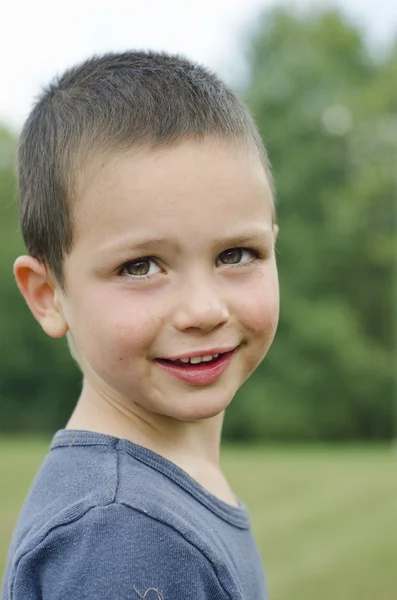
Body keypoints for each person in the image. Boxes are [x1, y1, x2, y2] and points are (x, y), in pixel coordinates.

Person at [2, 51, 279, 600]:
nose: (203, 310)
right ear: (48, 295)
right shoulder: (124, 530)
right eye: (140, 266)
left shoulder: (153, 501)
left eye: (237, 254)